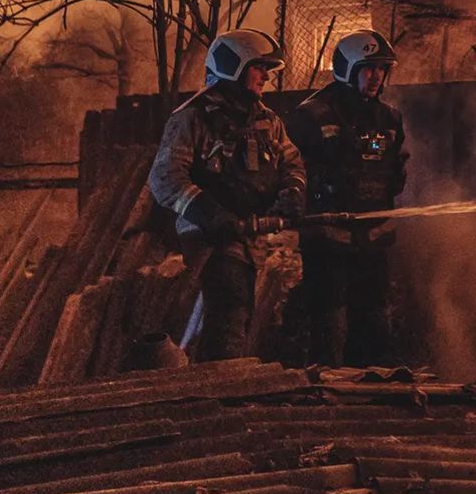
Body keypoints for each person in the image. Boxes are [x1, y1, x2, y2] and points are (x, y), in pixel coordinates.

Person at [148, 29, 304, 362]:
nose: (265, 77)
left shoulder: (267, 121)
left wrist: (293, 190)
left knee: (238, 314)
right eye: (258, 67)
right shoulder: (192, 117)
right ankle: (222, 384)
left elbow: (291, 162)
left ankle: (220, 378)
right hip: (206, 241)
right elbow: (165, 178)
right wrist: (210, 214)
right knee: (230, 313)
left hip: (248, 239)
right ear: (234, 66)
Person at [284, 28, 408, 366]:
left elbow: (395, 169)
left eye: (382, 68)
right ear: (347, 69)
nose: (376, 76)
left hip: (374, 244)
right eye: (368, 68)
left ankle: (367, 394)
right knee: (330, 332)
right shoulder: (311, 116)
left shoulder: (389, 119)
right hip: (328, 246)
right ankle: (327, 394)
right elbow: (289, 171)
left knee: (375, 332)